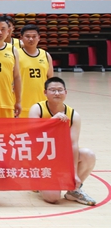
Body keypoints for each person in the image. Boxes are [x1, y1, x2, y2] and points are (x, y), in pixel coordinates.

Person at [29, 77, 96, 206]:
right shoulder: (37, 109)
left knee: (88, 155)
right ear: (45, 92)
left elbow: (73, 144)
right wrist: (52, 122)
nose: (57, 93)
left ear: (66, 92)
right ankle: (39, 180)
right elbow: (33, 136)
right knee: (53, 197)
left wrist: (74, 173)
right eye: (52, 90)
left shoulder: (73, 115)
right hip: (41, 158)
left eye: (60, 90)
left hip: (61, 157)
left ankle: (73, 190)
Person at [18, 25, 54, 112]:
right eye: (27, 36)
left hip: (42, 103)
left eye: (34, 36)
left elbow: (50, 79)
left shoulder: (46, 55)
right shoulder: (15, 55)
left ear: (39, 38)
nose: (31, 39)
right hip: (21, 104)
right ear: (21, 38)